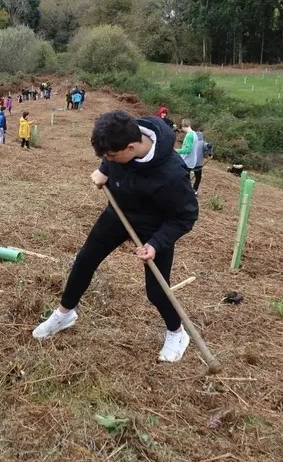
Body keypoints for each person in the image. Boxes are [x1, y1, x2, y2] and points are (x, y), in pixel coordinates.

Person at [33, 110, 200, 363]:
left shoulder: (172, 174)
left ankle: (177, 333)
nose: (108, 159)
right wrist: (105, 169)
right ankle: (65, 313)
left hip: (155, 227)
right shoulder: (123, 134)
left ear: (131, 147)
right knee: (85, 260)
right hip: (119, 213)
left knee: (156, 290)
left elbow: (185, 217)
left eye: (110, 156)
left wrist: (156, 243)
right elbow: (109, 156)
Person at [176, 120, 205, 192]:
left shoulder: (189, 135)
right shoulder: (194, 134)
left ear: (183, 126)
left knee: (183, 180)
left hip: (187, 161)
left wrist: (176, 151)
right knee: (186, 180)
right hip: (191, 161)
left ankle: (185, 194)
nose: (182, 130)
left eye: (182, 128)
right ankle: (189, 192)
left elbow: (188, 150)